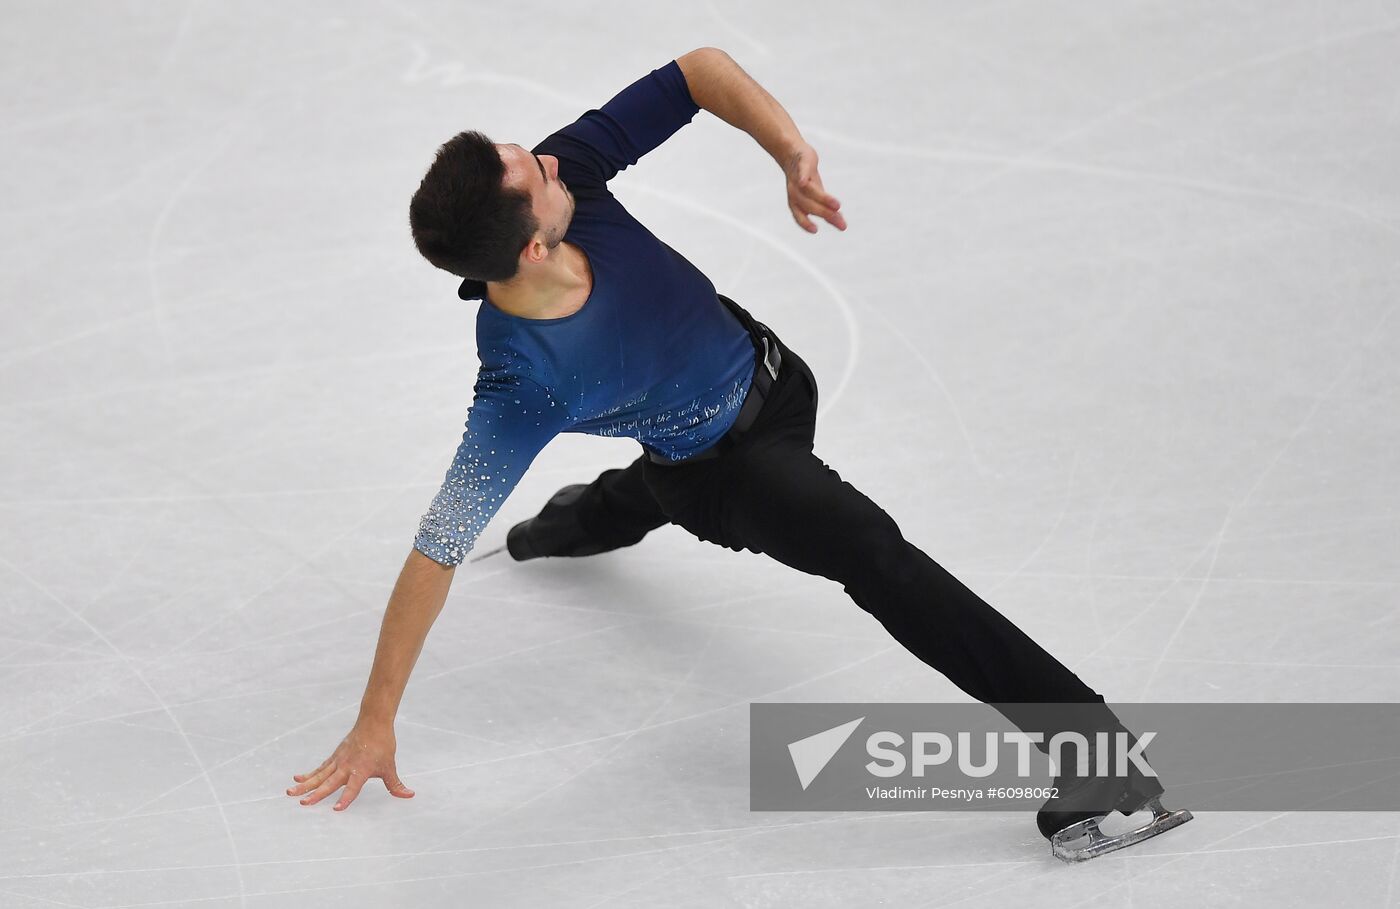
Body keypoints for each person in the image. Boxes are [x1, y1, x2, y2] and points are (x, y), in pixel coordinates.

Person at [286, 47, 1190, 860]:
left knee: (635, 491)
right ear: (531, 244)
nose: (551, 157)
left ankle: (571, 522)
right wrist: (374, 721)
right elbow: (437, 544)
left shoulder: (570, 177)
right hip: (725, 475)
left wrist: (790, 151)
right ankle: (1101, 756)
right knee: (870, 552)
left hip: (771, 370)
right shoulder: (525, 382)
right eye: (534, 170)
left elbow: (697, 73)